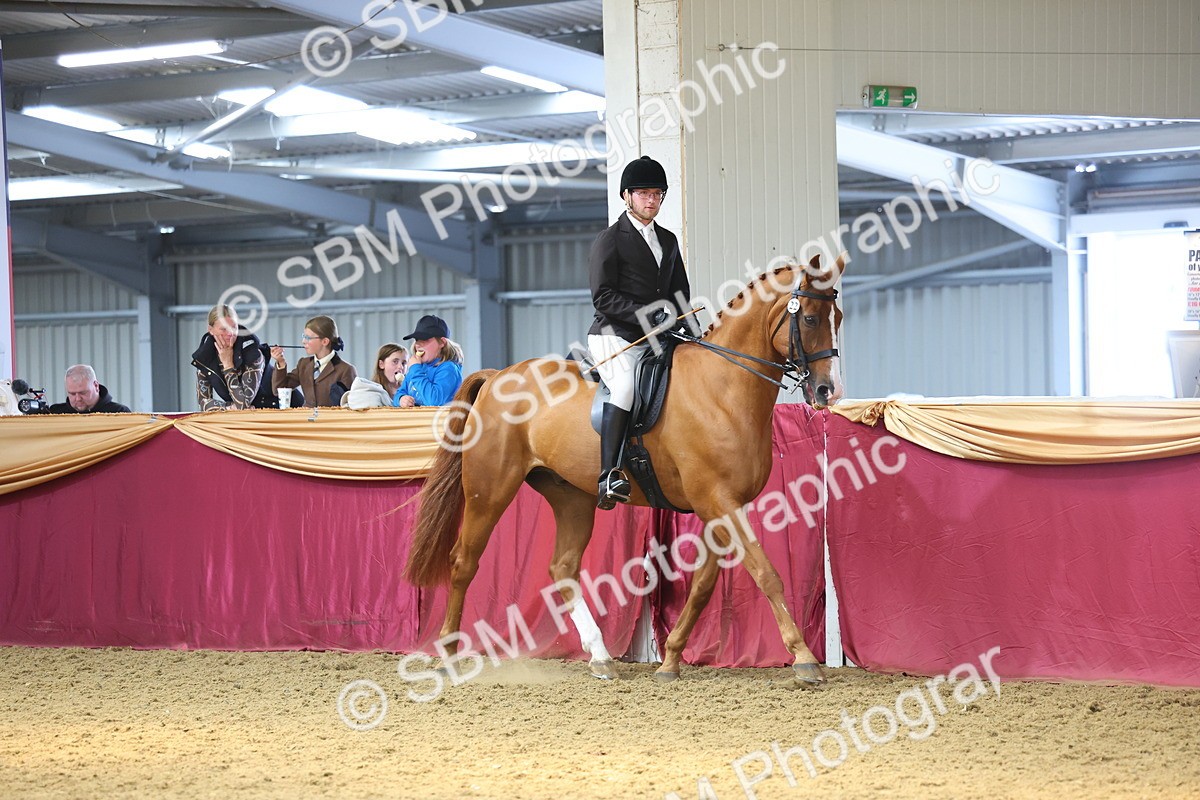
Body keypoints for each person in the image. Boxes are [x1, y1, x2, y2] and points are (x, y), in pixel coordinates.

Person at [588, 155, 692, 509]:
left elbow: (680, 293)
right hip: (615, 334)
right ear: (627, 197)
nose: (651, 200)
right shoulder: (610, 239)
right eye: (643, 193)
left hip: (658, 335)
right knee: (626, 386)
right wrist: (647, 314)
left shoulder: (668, 240)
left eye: (657, 194)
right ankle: (609, 475)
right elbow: (602, 296)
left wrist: (690, 329)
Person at [270, 315, 357, 407]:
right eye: (304, 336)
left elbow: (351, 404)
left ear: (325, 341)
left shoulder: (346, 370)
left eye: (308, 338)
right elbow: (279, 390)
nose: (303, 341)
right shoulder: (304, 364)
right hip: (306, 419)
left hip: (331, 420)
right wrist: (281, 362)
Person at [193, 304, 264, 411]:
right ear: (210, 330)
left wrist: (228, 365)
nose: (230, 333)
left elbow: (243, 405)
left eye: (234, 327)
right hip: (242, 416)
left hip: (277, 409)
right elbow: (203, 402)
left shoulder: (252, 352)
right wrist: (228, 407)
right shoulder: (205, 356)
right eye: (223, 329)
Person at [393, 315, 463, 407]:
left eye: (425, 339)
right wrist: (401, 399)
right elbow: (398, 394)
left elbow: (434, 401)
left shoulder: (448, 368)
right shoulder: (417, 367)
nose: (418, 344)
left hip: (439, 420)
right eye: (417, 339)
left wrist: (416, 369)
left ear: (442, 342)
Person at [48, 364, 132, 413]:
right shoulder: (56, 413)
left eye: (83, 393)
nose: (78, 399)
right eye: (72, 394)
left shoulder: (119, 413)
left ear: (96, 386)